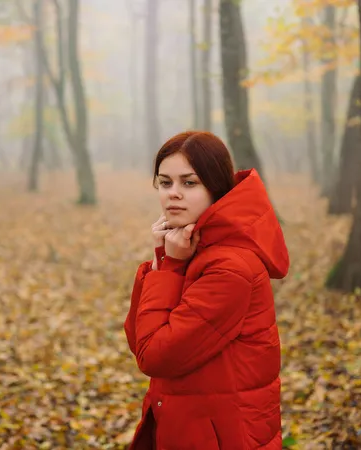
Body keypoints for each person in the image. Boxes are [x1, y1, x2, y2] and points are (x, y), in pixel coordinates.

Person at [123, 131, 289, 449]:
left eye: (189, 183)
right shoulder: (189, 247)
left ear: (216, 187)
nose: (174, 194)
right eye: (165, 182)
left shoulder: (230, 266)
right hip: (187, 427)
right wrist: (161, 261)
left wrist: (169, 267)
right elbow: (138, 338)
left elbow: (154, 357)